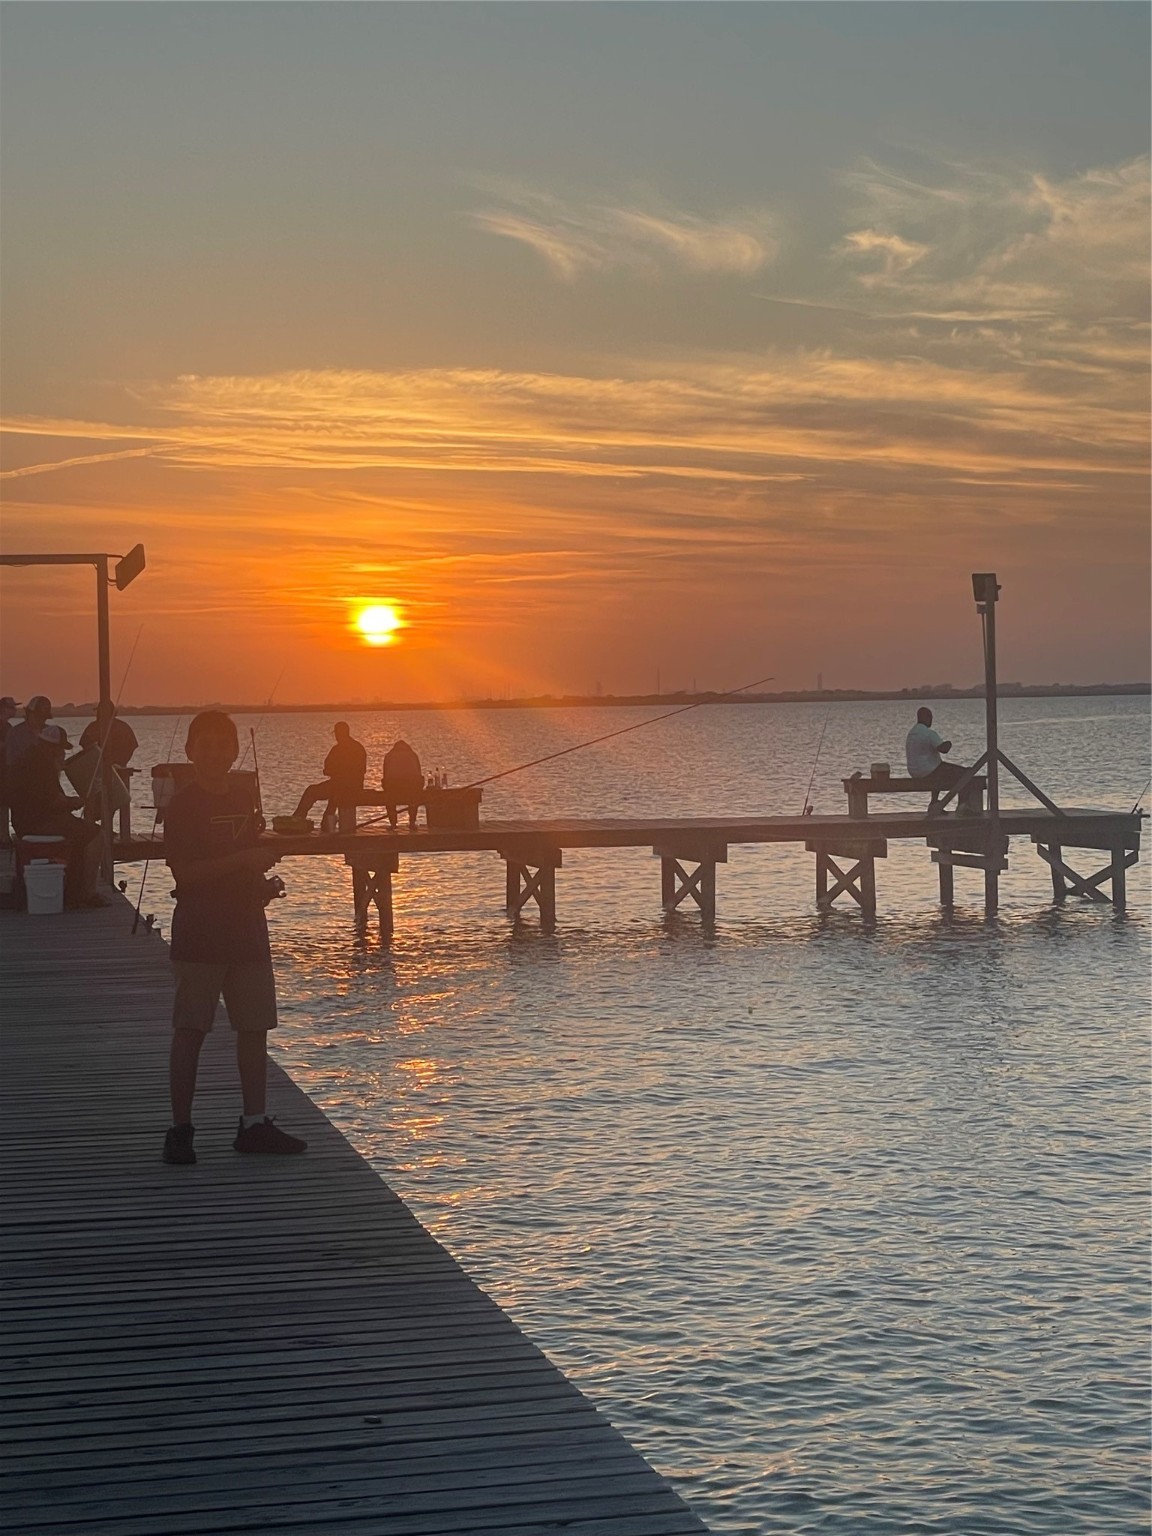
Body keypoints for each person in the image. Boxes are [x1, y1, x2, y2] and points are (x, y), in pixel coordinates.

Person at [162, 710, 307, 1165]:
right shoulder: (182, 806)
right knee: (191, 1031)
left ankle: (253, 1123)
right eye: (204, 745)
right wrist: (245, 859)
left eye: (222, 744)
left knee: (254, 1029)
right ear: (190, 751)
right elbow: (186, 873)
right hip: (200, 933)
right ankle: (181, 1130)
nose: (213, 753)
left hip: (247, 931)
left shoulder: (245, 797)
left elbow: (245, 863)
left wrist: (262, 884)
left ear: (233, 750)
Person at [8, 721, 105, 905]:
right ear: (53, 748)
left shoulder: (28, 759)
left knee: (77, 829)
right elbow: (56, 802)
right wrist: (78, 802)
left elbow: (47, 798)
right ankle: (87, 893)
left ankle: (73, 886)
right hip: (38, 824)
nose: (63, 754)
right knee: (96, 835)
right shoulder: (43, 767)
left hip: (22, 822)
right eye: (62, 749)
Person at [68, 703, 139, 824]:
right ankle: (96, 827)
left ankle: (99, 827)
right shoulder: (97, 727)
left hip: (111, 771)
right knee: (100, 803)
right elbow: (86, 747)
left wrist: (118, 762)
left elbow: (131, 746)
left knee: (109, 801)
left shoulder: (98, 727)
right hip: (100, 770)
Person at [291, 721, 367, 829]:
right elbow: (361, 770)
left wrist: (337, 772)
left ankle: (298, 819)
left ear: (341, 733)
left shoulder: (337, 750)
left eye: (337, 734)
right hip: (353, 785)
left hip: (344, 786)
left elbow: (327, 769)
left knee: (311, 791)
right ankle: (326, 823)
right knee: (334, 795)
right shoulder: (358, 748)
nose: (336, 736)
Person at [905, 706, 970, 816]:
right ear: (925, 718)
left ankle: (934, 803)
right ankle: (962, 805)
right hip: (930, 771)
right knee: (966, 773)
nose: (931, 720)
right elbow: (943, 749)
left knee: (940, 769)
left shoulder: (911, 733)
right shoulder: (929, 733)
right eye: (930, 717)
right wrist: (949, 743)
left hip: (914, 772)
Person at [381, 738, 423, 829]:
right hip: (411, 789)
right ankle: (412, 822)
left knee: (390, 800)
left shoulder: (389, 756)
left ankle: (393, 824)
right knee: (413, 799)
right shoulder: (413, 755)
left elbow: (385, 775)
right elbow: (419, 774)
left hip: (393, 789)